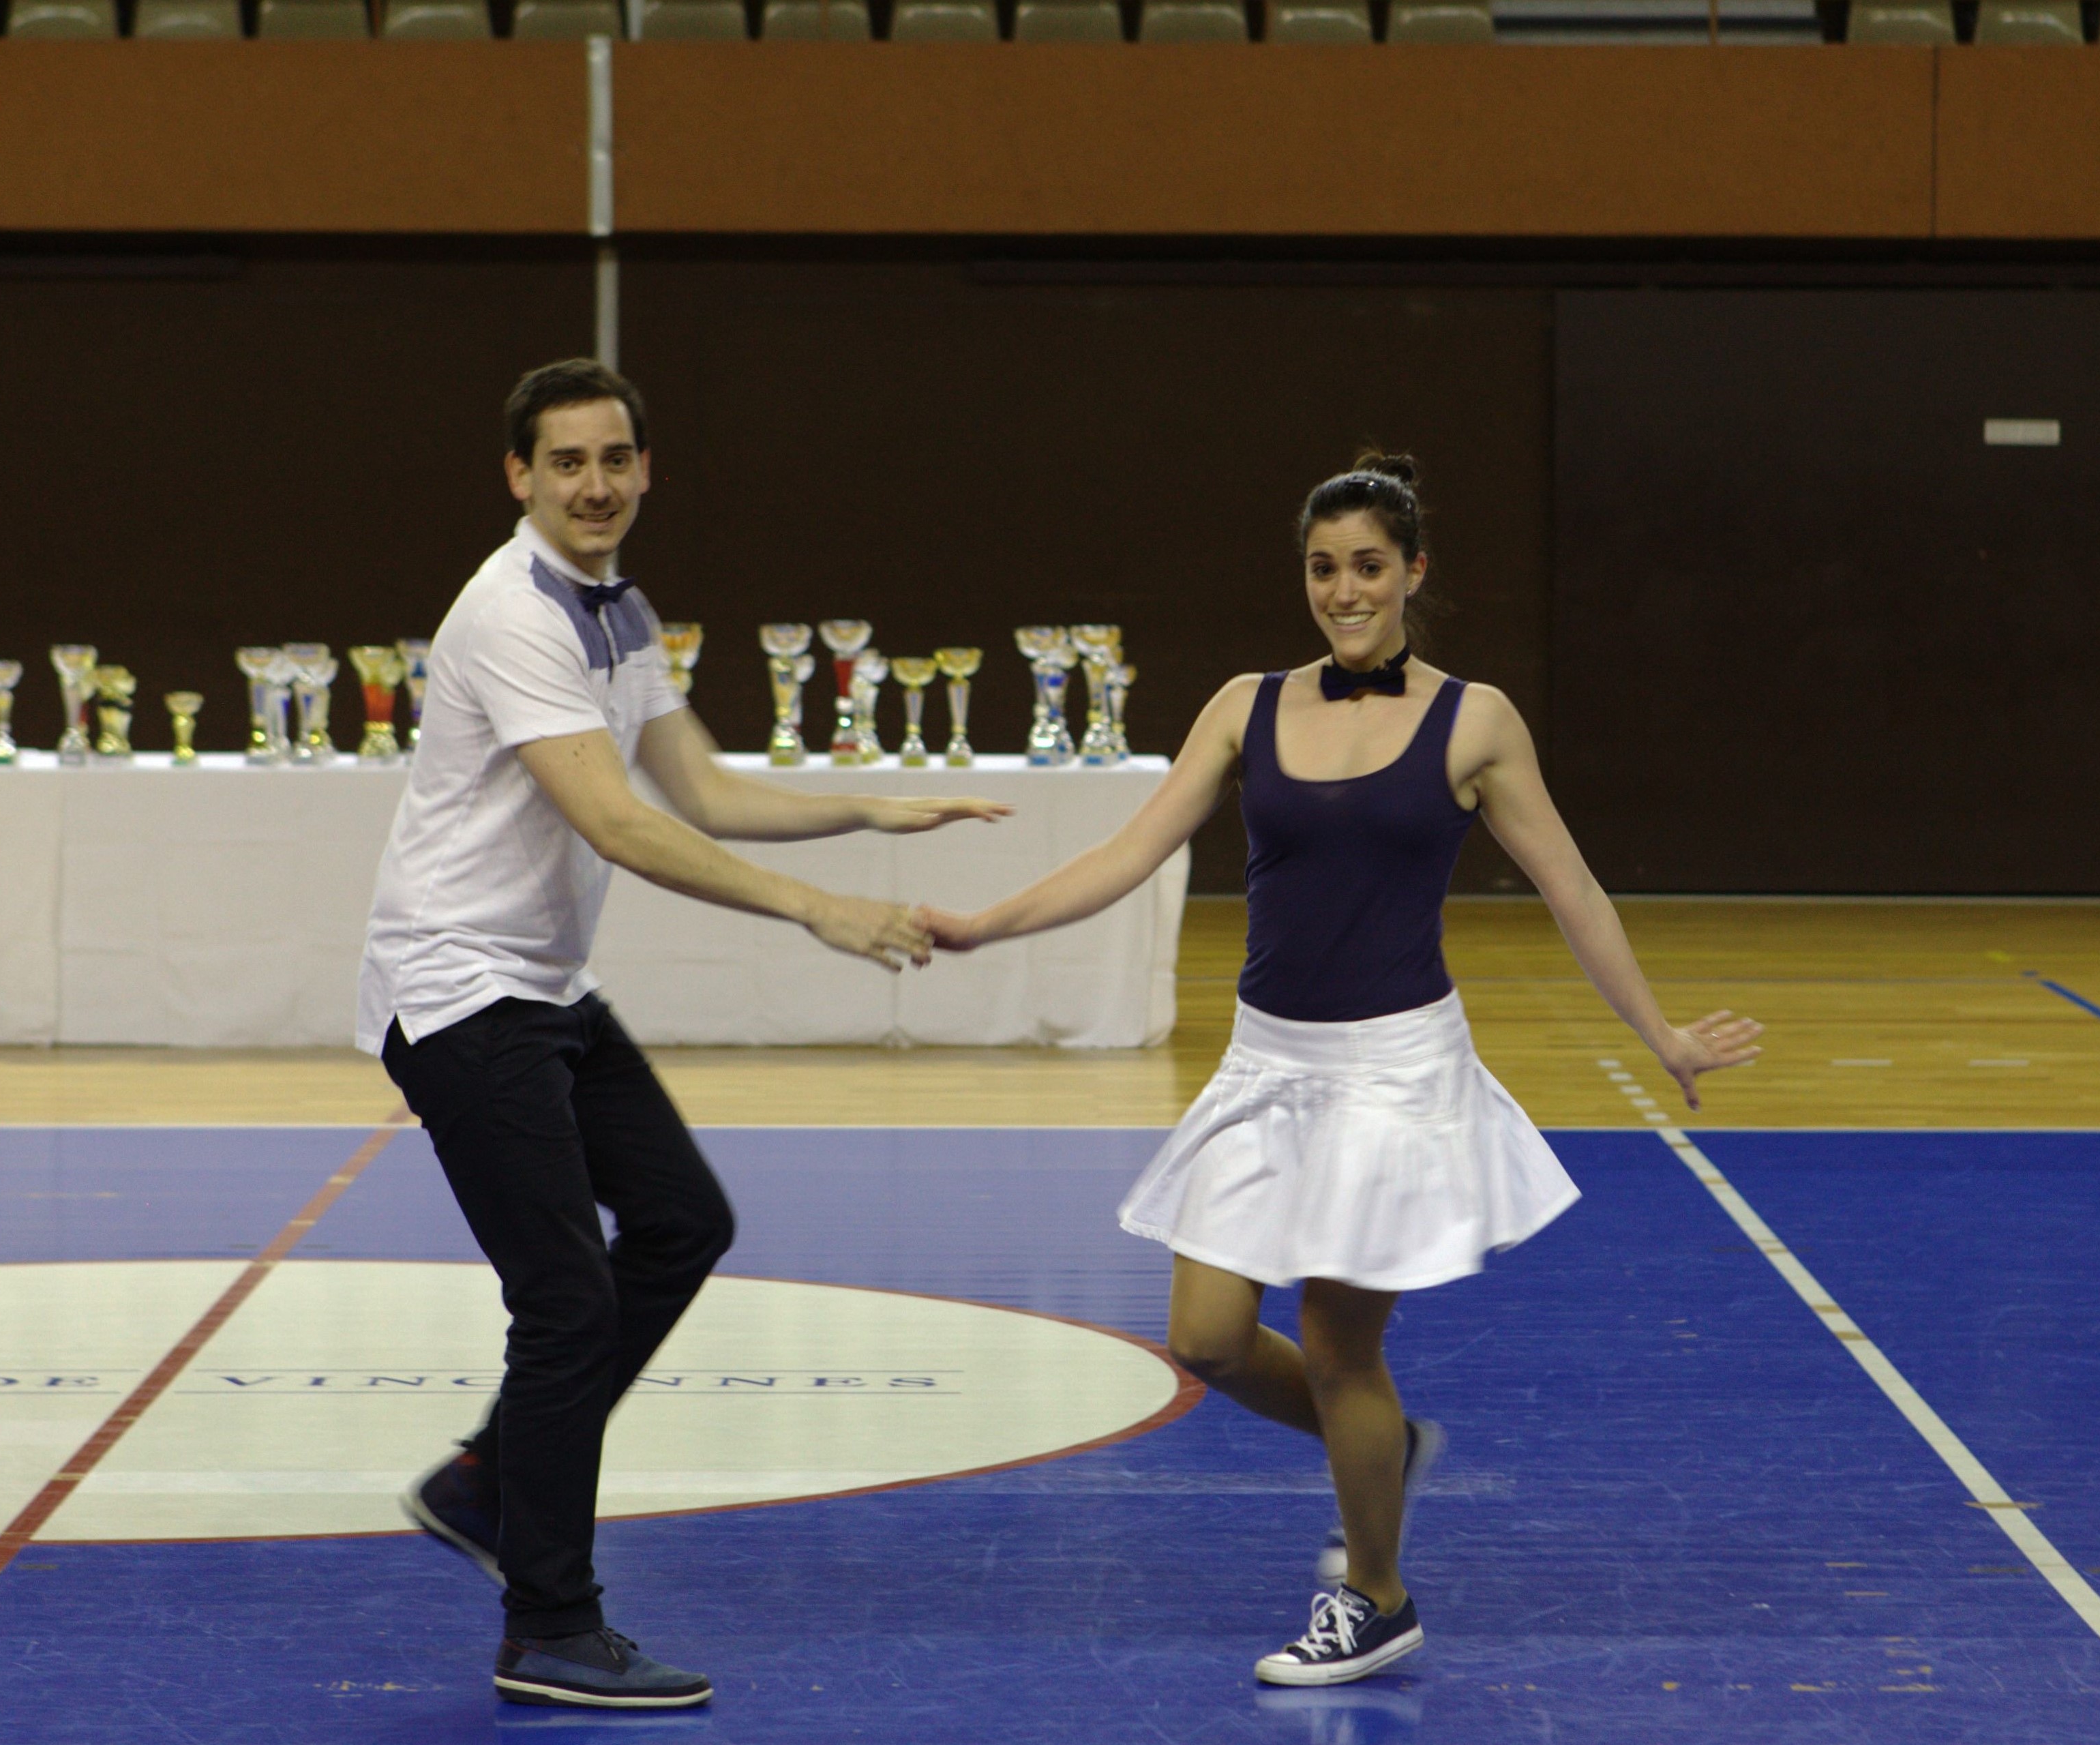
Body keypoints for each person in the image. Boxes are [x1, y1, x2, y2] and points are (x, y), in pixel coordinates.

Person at [923, 453, 1761, 1687]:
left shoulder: (1473, 722)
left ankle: (1377, 1596)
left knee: (1331, 1341)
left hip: (1394, 1076)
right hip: (1267, 1063)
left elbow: (1569, 887)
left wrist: (1663, 1034)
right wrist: (986, 926)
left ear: (1413, 573)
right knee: (1206, 1340)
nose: (1343, 591)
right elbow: (1130, 853)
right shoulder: (1243, 706)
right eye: (1323, 569)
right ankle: (1380, 1449)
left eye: (1368, 566)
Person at [361, 358, 1006, 1710]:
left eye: (615, 459)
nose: (594, 484)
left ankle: (489, 1481)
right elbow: (618, 823)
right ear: (519, 477)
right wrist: (817, 910)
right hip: (460, 990)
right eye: (566, 462)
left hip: (537, 987)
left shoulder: (620, 608)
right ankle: (548, 1622)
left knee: (678, 1222)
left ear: (646, 469)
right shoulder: (513, 613)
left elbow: (697, 786)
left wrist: (866, 814)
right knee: (566, 1296)